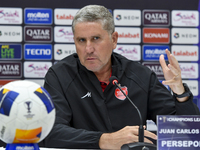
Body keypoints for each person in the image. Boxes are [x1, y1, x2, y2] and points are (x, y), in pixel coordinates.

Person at [43, 5, 200, 149]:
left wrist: (180, 93)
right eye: (81, 40)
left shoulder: (140, 77)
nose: (88, 49)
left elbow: (186, 134)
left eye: (96, 39)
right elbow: (50, 132)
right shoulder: (60, 75)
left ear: (114, 39)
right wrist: (104, 140)